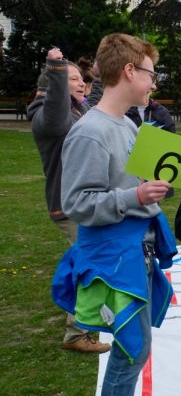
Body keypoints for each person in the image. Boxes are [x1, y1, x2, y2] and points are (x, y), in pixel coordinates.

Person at [57, 33, 175, 395]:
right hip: (113, 260)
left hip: (135, 254)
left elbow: (124, 183)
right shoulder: (90, 132)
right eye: (151, 74)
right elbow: (76, 203)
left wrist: (146, 186)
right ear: (129, 71)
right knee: (132, 350)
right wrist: (135, 195)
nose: (153, 83)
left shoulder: (126, 124)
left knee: (134, 349)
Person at [27, 47, 110, 354]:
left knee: (90, 260)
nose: (80, 84)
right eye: (72, 79)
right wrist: (56, 67)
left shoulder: (77, 111)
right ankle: (76, 334)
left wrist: (98, 77)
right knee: (89, 264)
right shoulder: (47, 118)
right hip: (69, 205)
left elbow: (96, 105)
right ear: (53, 84)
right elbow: (56, 113)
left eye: (80, 79)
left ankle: (84, 321)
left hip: (82, 202)